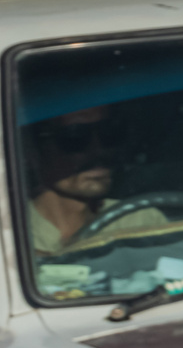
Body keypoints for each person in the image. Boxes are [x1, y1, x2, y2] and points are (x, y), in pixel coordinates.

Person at [28, 106, 168, 255]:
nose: (99, 151)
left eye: (109, 134)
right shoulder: (10, 234)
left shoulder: (141, 221)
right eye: (74, 138)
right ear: (34, 153)